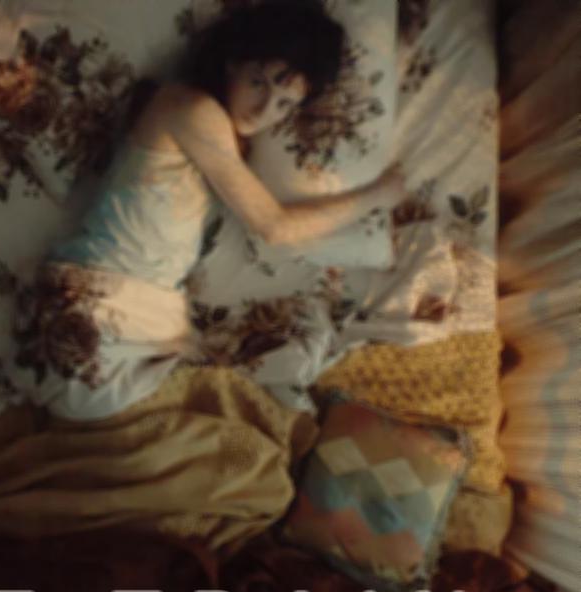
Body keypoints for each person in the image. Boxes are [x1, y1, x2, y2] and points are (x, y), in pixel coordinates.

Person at [36, 0, 405, 421]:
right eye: (259, 83)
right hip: (94, 307)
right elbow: (275, 227)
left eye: (285, 104)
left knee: (245, 417)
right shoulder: (191, 109)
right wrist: (377, 195)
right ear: (233, 63)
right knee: (230, 429)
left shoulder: (223, 135)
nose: (264, 111)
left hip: (129, 307)